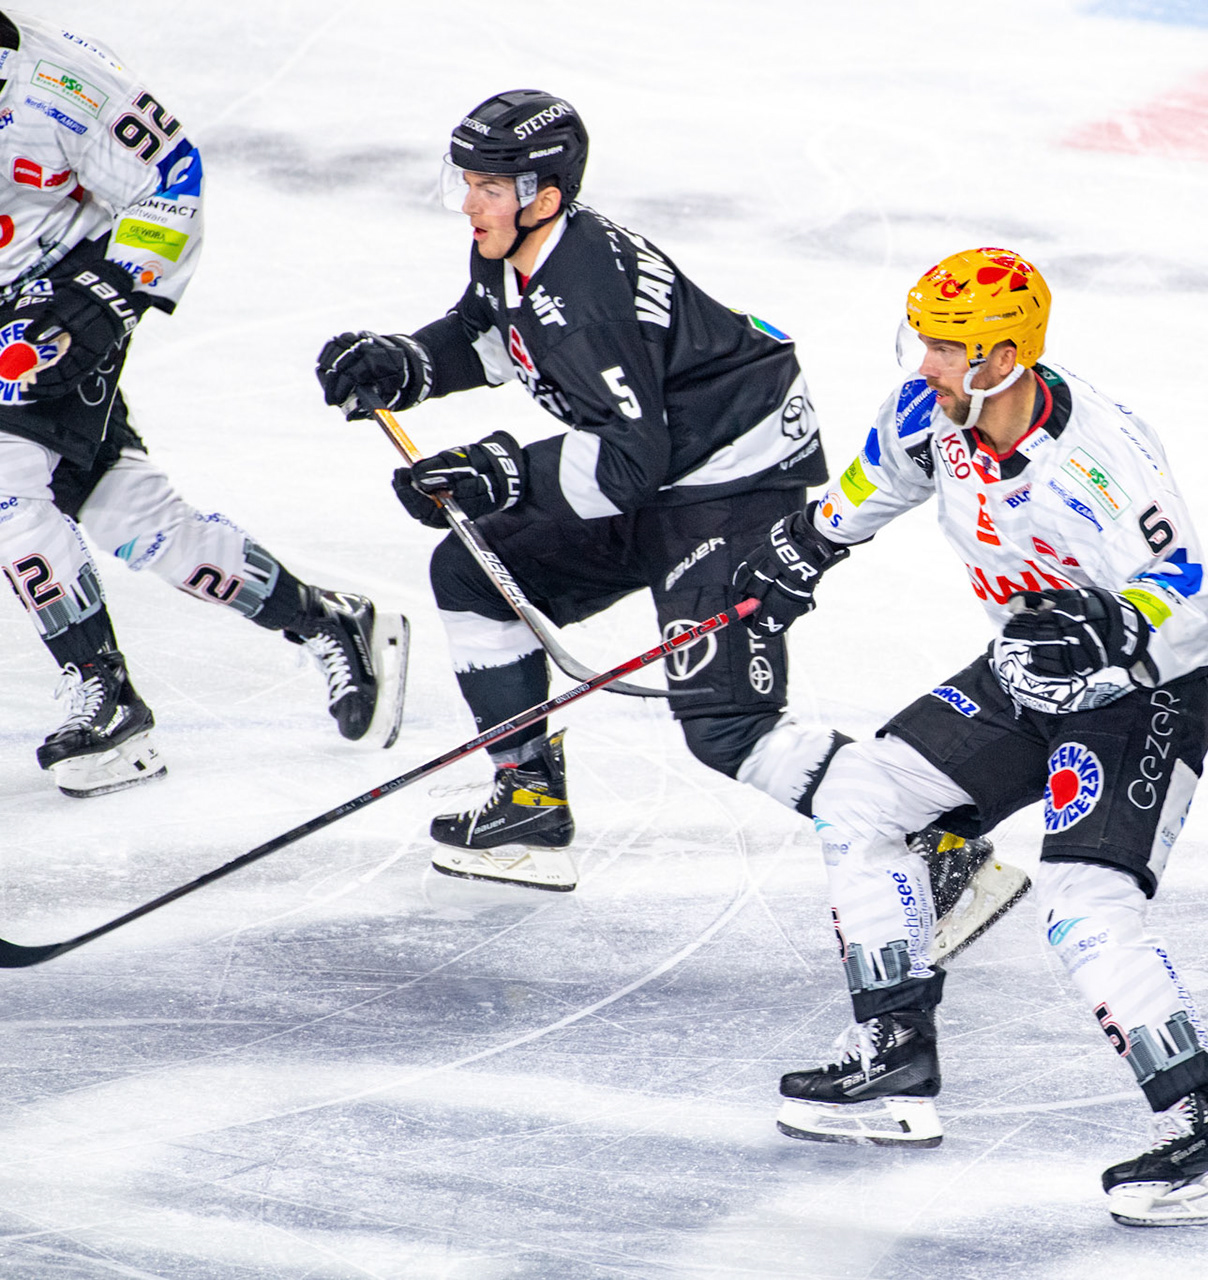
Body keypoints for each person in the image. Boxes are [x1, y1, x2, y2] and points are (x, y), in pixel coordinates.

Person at [735, 247, 1208, 1226]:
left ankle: (1205, 1134)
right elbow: (856, 500)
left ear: (1002, 359)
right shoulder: (925, 417)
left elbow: (1189, 605)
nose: (924, 365)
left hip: (1144, 694)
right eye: (923, 341)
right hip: (1027, 675)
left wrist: (1109, 625)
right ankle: (894, 1060)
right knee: (859, 798)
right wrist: (780, 566)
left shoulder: (1101, 457)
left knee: (1084, 900)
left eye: (946, 347)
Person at [316, 90, 856, 892]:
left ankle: (930, 841)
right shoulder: (513, 249)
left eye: (489, 188)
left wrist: (502, 472)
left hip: (736, 477)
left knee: (726, 728)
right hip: (670, 463)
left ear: (546, 196)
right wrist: (407, 364)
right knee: (473, 574)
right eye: (464, 181)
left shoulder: (588, 300)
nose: (469, 203)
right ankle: (527, 800)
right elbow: (488, 332)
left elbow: (630, 462)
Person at [0, 11, 407, 798]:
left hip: (60, 307)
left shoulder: (63, 85)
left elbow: (172, 173)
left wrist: (114, 291)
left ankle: (107, 696)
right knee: (134, 520)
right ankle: (325, 618)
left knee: (7, 489)